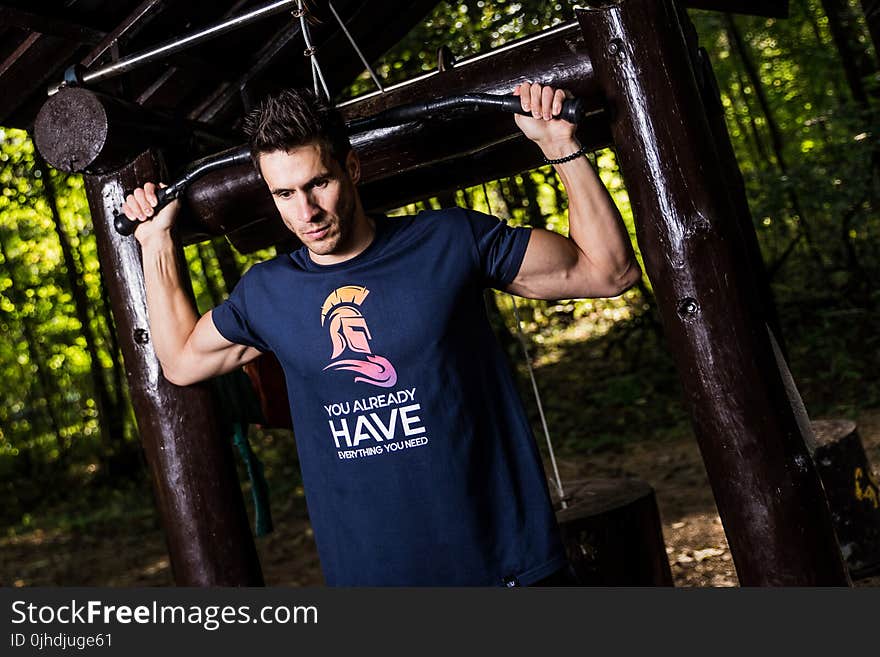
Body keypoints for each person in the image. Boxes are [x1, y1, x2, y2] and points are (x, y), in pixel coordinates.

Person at [122, 83, 641, 586]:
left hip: (508, 569)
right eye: (284, 193)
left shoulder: (449, 240)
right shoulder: (267, 293)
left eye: (317, 184)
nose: (306, 213)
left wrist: (562, 147)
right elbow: (181, 361)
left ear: (351, 168)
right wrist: (155, 240)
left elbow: (607, 271)